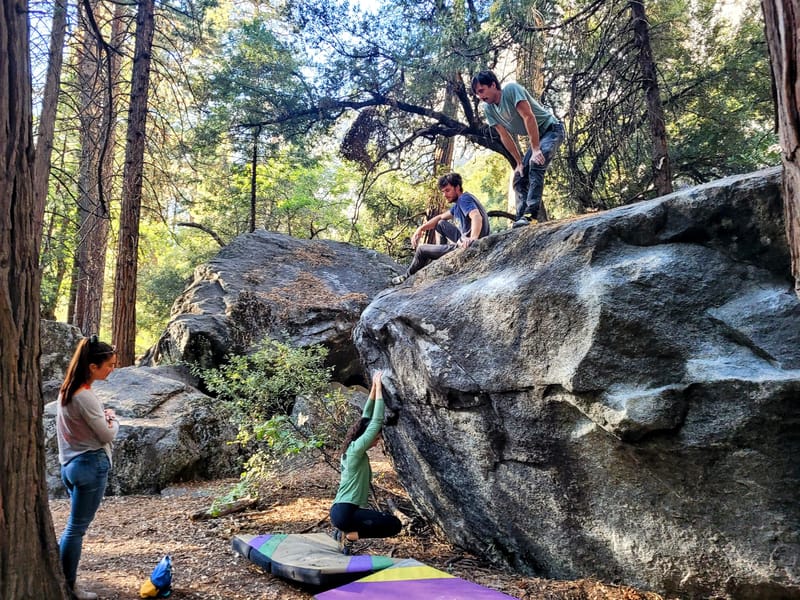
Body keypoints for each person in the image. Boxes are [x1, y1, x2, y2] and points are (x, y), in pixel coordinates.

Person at [56, 335, 119, 600]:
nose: (112, 369)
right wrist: (114, 421)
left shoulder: (67, 391)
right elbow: (106, 435)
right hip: (90, 465)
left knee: (73, 527)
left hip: (70, 465)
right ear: (92, 366)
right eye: (109, 365)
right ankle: (69, 586)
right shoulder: (85, 396)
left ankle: (58, 576)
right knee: (76, 529)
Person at [471, 70, 565, 228]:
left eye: (482, 90)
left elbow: (529, 116)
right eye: (477, 93)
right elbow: (504, 136)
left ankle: (531, 216)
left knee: (536, 163)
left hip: (552, 130)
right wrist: (519, 162)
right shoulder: (489, 109)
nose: (480, 96)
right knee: (519, 177)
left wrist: (536, 149)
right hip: (539, 137)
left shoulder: (511, 90)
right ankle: (521, 218)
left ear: (493, 85)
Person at [330, 370, 401, 554]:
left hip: (341, 512)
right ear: (366, 436)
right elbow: (376, 421)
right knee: (394, 525)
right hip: (346, 513)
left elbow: (366, 417)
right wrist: (378, 387)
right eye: (376, 438)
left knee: (388, 522)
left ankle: (344, 533)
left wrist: (374, 388)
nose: (377, 441)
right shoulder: (355, 450)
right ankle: (349, 536)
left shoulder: (351, 449)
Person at [391, 172, 489, 285]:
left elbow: (476, 216)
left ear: (457, 188)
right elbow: (440, 217)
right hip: (465, 239)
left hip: (467, 244)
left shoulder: (463, 199)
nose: (444, 195)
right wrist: (421, 229)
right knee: (440, 223)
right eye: (443, 192)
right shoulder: (459, 204)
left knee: (421, 249)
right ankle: (440, 257)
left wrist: (473, 239)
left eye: (447, 190)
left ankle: (406, 277)